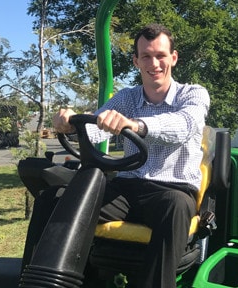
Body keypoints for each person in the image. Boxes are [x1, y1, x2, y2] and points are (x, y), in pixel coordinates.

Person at [54, 23, 210, 288]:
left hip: (171, 189)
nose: (154, 63)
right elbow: (95, 131)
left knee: (176, 206)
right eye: (146, 56)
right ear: (136, 61)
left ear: (173, 57)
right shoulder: (126, 97)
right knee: (58, 199)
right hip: (127, 188)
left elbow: (184, 126)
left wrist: (135, 125)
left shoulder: (193, 94)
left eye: (160, 55)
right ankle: (51, 279)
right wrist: (70, 126)